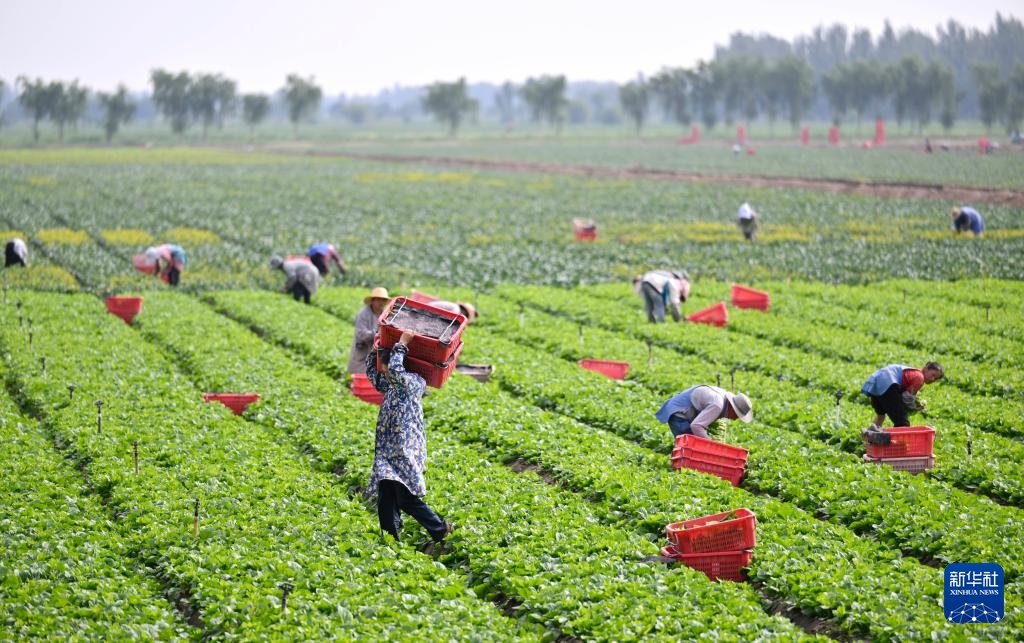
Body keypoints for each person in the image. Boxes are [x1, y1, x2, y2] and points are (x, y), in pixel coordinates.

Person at [365, 330, 452, 546]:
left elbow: (394, 370)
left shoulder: (412, 382)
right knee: (386, 493)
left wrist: (402, 343)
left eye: (383, 368)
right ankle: (390, 538)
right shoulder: (392, 383)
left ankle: (440, 528)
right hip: (388, 448)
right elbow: (373, 376)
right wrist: (374, 350)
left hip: (405, 447)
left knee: (404, 494)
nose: (382, 373)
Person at [861, 362, 944, 443]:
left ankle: (867, 439)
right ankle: (898, 446)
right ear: (926, 369)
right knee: (902, 422)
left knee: (881, 415)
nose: (933, 379)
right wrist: (914, 407)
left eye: (936, 379)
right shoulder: (920, 378)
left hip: (877, 382)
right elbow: (906, 398)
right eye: (933, 375)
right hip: (888, 383)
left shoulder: (913, 372)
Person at [655, 385, 754, 438]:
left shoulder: (722, 398)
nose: (736, 419)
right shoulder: (717, 405)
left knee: (692, 446)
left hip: (685, 411)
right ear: (733, 408)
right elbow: (696, 426)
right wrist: (710, 444)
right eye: (737, 415)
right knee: (691, 446)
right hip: (679, 414)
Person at [348, 287, 390, 374]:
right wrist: (378, 333)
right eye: (378, 300)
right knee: (360, 378)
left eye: (383, 300)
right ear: (373, 300)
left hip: (377, 354)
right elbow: (362, 334)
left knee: (373, 379)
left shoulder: (386, 314)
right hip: (362, 351)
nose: (381, 302)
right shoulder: (363, 314)